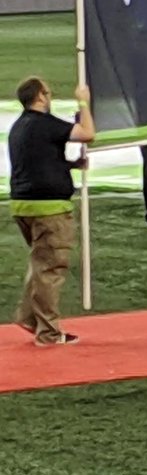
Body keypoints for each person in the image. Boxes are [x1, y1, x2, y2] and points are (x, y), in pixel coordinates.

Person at [8, 77, 95, 346]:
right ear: (41, 97)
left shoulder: (19, 126)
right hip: (50, 208)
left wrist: (68, 166)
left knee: (39, 264)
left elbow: (36, 159)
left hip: (23, 204)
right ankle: (47, 332)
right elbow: (87, 133)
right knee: (50, 269)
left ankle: (30, 317)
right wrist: (84, 101)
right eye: (48, 92)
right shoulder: (47, 124)